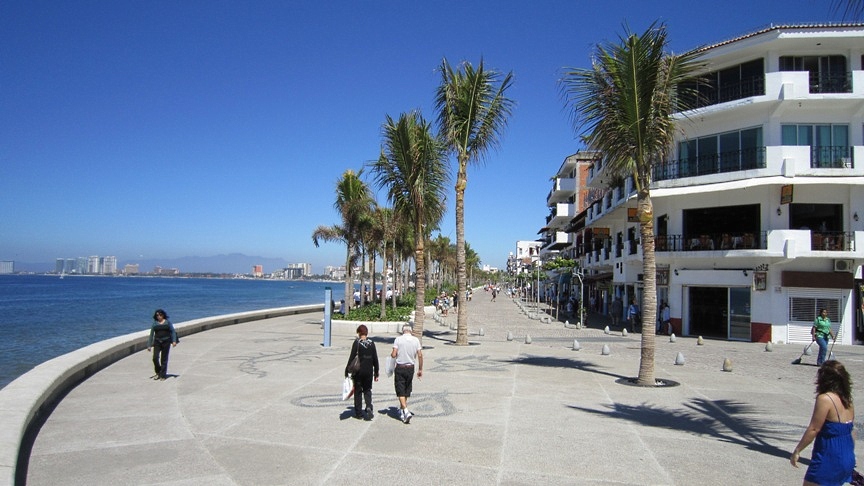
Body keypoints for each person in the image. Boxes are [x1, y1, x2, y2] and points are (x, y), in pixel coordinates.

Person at [790, 360, 856, 485]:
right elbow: (851, 430)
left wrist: (797, 450)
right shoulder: (848, 400)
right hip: (847, 456)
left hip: (829, 457)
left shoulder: (825, 399)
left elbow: (814, 429)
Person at [345, 324, 379, 420]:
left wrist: (347, 370)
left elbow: (351, 357)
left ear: (359, 333)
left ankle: (358, 413)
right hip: (369, 371)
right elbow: (375, 359)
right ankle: (368, 407)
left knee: (358, 391)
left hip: (359, 371)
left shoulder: (357, 343)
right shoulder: (372, 343)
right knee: (367, 390)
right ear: (366, 333)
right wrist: (376, 372)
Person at [391, 324, 423, 424]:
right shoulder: (416, 340)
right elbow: (420, 355)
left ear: (403, 331)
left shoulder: (398, 340)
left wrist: (392, 355)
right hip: (410, 367)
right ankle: (402, 411)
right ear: (411, 331)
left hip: (400, 367)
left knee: (400, 390)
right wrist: (420, 369)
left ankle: (405, 411)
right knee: (406, 389)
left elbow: (394, 354)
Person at [147, 309, 178, 380]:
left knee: (164, 359)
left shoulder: (167, 323)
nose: (159, 316)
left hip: (166, 342)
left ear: (163, 315)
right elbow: (151, 335)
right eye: (157, 315)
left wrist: (174, 341)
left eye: (160, 315)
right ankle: (158, 372)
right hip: (157, 342)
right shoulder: (155, 324)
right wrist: (149, 345)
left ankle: (163, 375)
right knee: (155, 358)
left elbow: (172, 331)